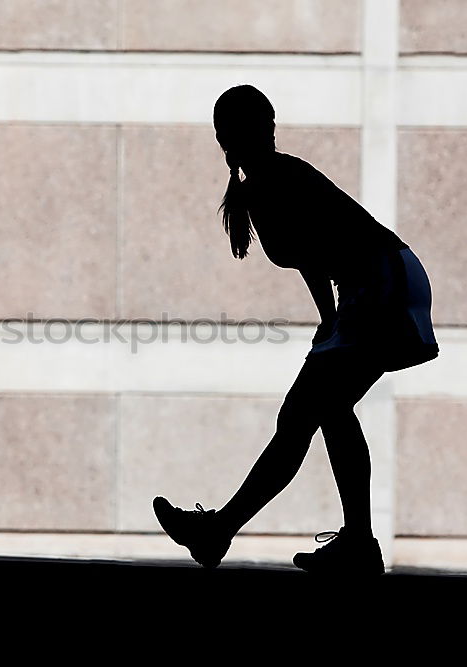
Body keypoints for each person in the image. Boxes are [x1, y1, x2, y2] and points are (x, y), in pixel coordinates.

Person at [153, 84, 440, 576]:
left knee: (306, 414)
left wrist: (330, 319)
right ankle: (349, 543)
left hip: (376, 284)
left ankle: (228, 531)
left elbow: (313, 251)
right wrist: (328, 320)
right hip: (376, 281)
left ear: (224, 136)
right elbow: (316, 251)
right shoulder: (267, 180)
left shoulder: (272, 180)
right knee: (318, 412)